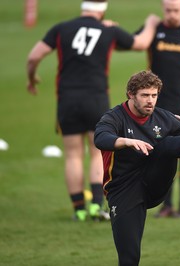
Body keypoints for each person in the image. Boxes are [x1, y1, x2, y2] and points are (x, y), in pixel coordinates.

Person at [26, 0, 160, 221]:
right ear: (103, 10)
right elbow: (141, 42)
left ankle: (78, 209)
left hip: (67, 100)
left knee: (72, 155)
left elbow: (33, 57)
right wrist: (151, 22)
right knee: (97, 151)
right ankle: (96, 207)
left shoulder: (61, 28)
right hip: (96, 99)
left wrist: (32, 78)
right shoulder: (108, 30)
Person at [94, 70, 180, 266]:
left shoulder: (163, 117)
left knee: (170, 145)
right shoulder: (114, 117)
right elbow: (100, 138)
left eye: (154, 95)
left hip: (154, 184)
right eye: (144, 95)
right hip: (123, 190)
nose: (150, 101)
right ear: (131, 94)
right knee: (129, 256)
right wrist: (126, 141)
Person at [135, 0, 180, 219]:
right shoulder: (155, 31)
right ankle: (166, 205)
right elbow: (129, 43)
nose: (172, 14)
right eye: (168, 10)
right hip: (157, 104)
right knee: (161, 153)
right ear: (162, 9)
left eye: (176, 10)